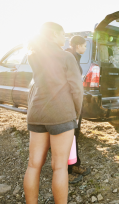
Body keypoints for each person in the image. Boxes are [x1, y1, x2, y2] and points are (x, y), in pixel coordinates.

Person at [24, 22, 84, 204]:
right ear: (53, 35)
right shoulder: (66, 57)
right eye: (62, 34)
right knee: (59, 167)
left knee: (33, 165)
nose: (64, 38)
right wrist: (75, 112)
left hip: (36, 112)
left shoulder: (34, 56)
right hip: (61, 114)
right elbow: (77, 89)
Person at [65, 35, 91, 184]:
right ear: (77, 45)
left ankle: (74, 164)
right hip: (68, 104)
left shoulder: (75, 57)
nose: (85, 48)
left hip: (74, 103)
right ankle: (66, 172)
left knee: (74, 136)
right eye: (84, 45)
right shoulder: (69, 57)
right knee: (68, 137)